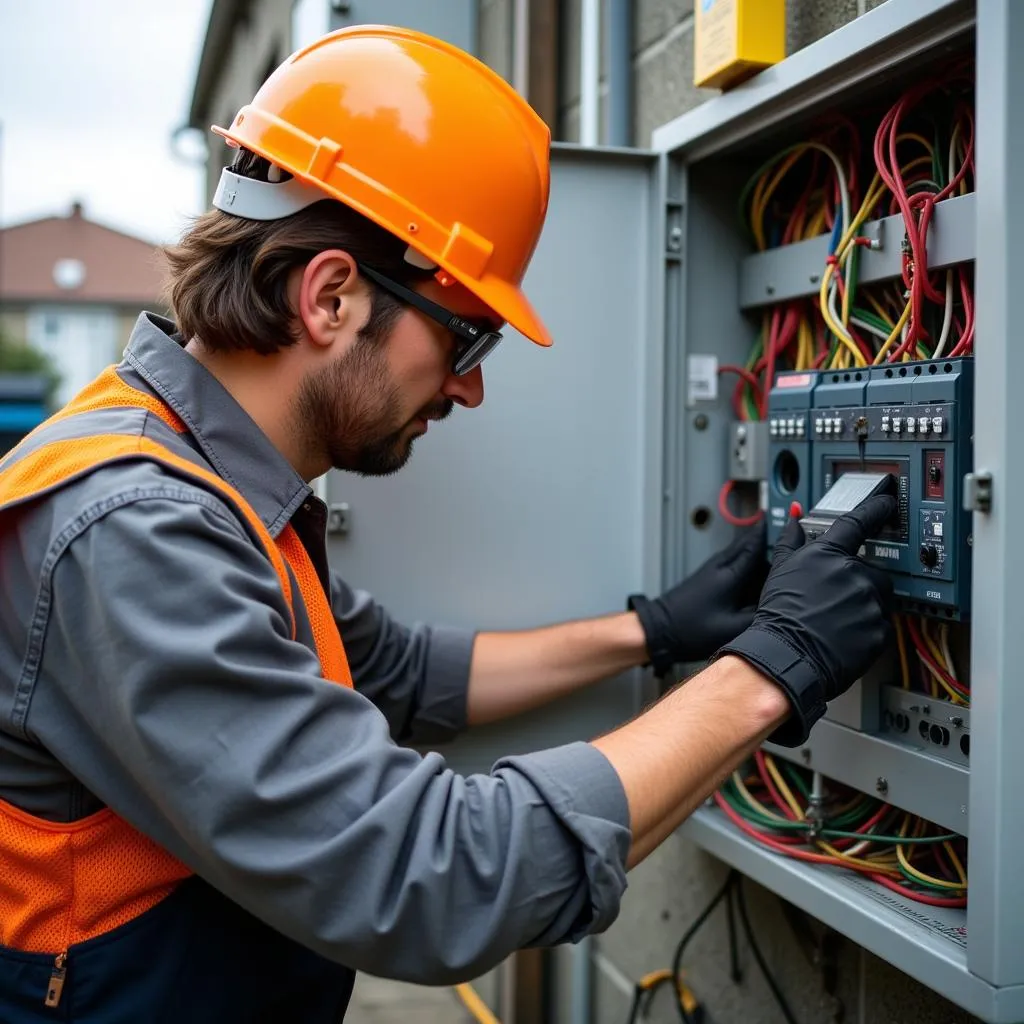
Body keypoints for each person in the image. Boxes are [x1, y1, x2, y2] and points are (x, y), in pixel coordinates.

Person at [0, 25, 896, 1024]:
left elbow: (403, 673)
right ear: (331, 295)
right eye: (466, 334)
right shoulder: (135, 527)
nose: (468, 386)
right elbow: (426, 879)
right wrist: (775, 667)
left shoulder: (209, 479)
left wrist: (657, 629)